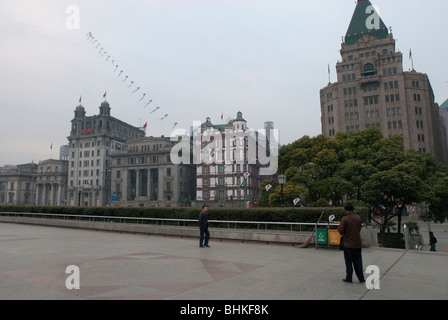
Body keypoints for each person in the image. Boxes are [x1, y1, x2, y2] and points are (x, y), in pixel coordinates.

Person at [338, 203, 365, 283]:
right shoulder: (358, 217)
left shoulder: (345, 219)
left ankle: (349, 278)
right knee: (358, 262)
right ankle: (361, 278)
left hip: (348, 244)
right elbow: (359, 228)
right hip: (357, 243)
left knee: (349, 262)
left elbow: (340, 230)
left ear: (346, 210)